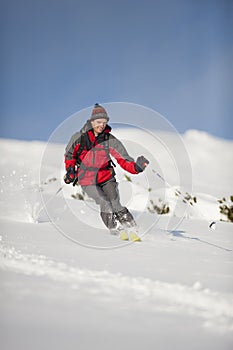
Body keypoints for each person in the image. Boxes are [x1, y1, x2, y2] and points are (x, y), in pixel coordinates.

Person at [64, 103, 149, 240]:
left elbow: (123, 159)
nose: (101, 125)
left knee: (115, 202)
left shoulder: (109, 140)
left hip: (106, 177)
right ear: (92, 122)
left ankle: (132, 227)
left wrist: (136, 167)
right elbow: (69, 156)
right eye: (99, 122)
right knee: (104, 202)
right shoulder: (79, 138)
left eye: (104, 122)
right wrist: (70, 171)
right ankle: (115, 227)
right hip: (87, 179)